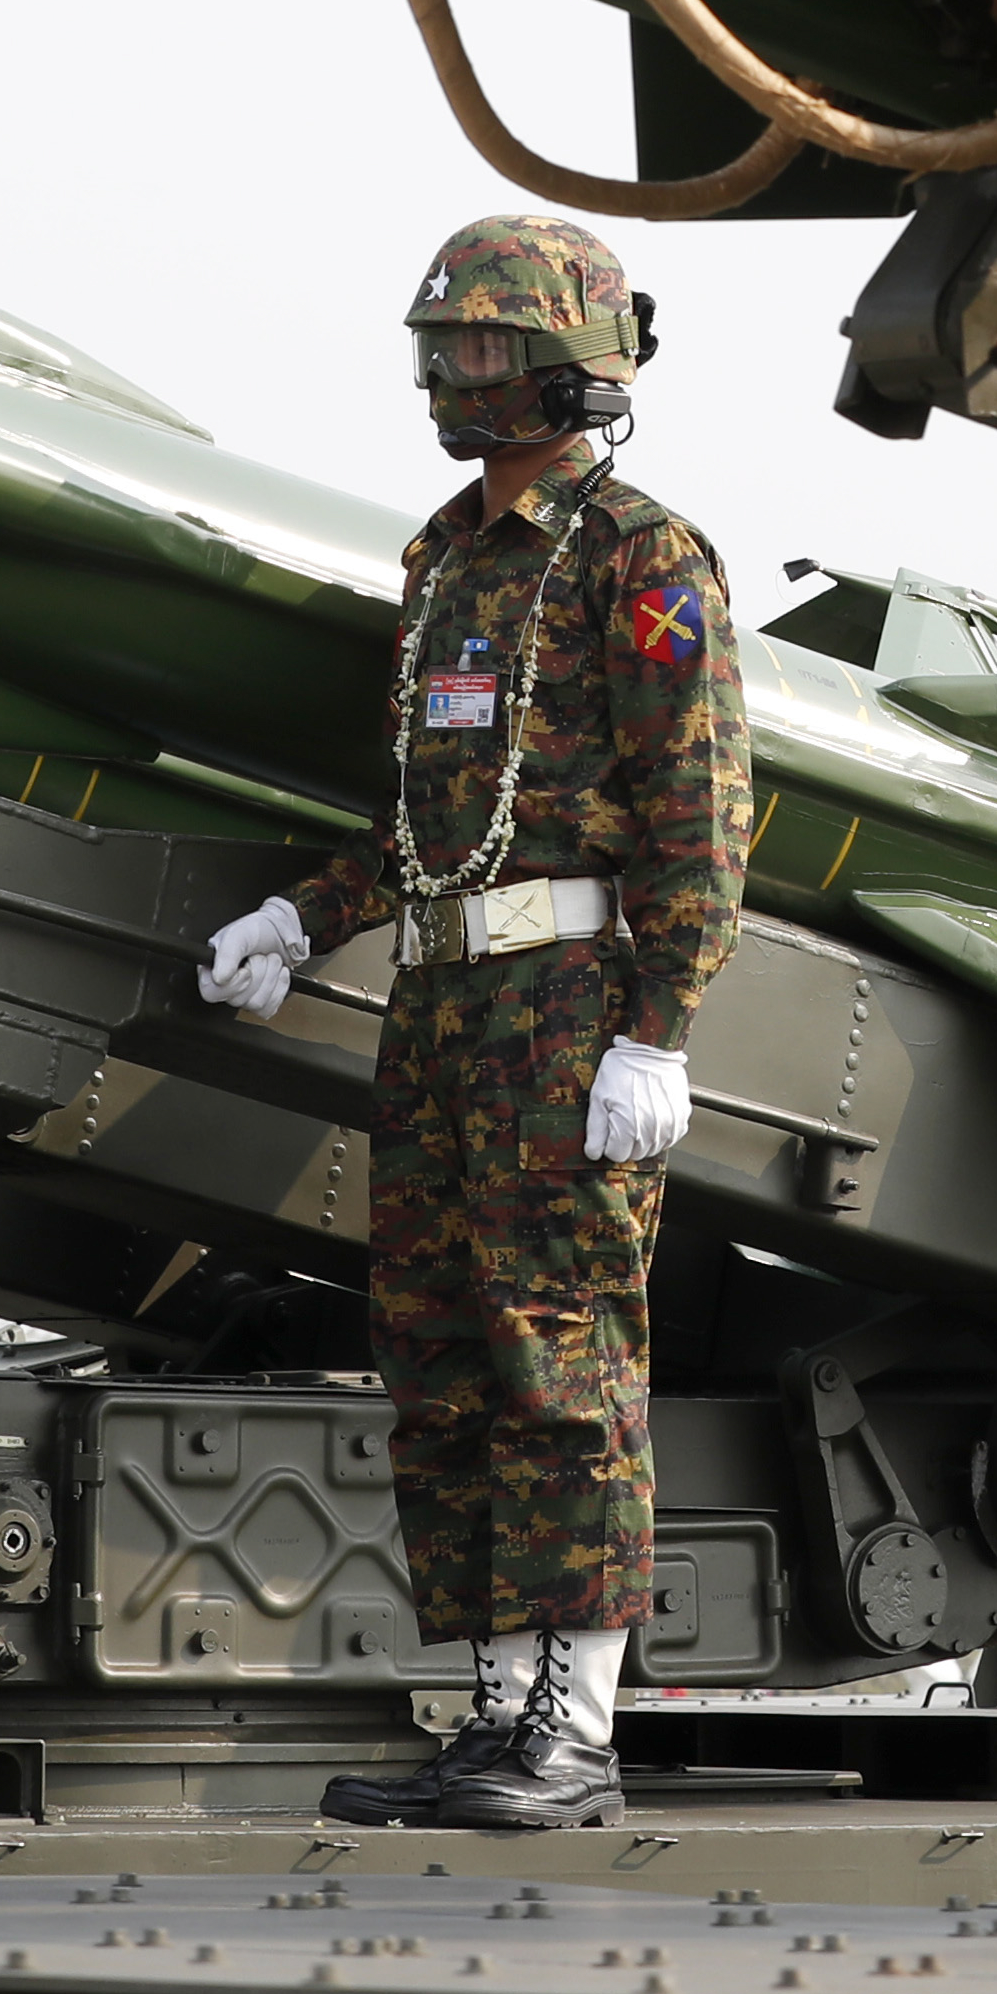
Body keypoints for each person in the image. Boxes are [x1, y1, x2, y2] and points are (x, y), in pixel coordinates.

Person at [198, 214, 747, 1836]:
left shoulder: (646, 557)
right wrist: (309, 912)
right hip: (439, 1003)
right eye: (446, 342)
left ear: (573, 362)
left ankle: (572, 1727)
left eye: (490, 344)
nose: (456, 370)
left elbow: (694, 809)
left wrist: (657, 1024)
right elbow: (426, 816)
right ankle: (496, 1708)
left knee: (557, 1357)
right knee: (441, 1359)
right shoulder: (442, 556)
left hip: (568, 1005)